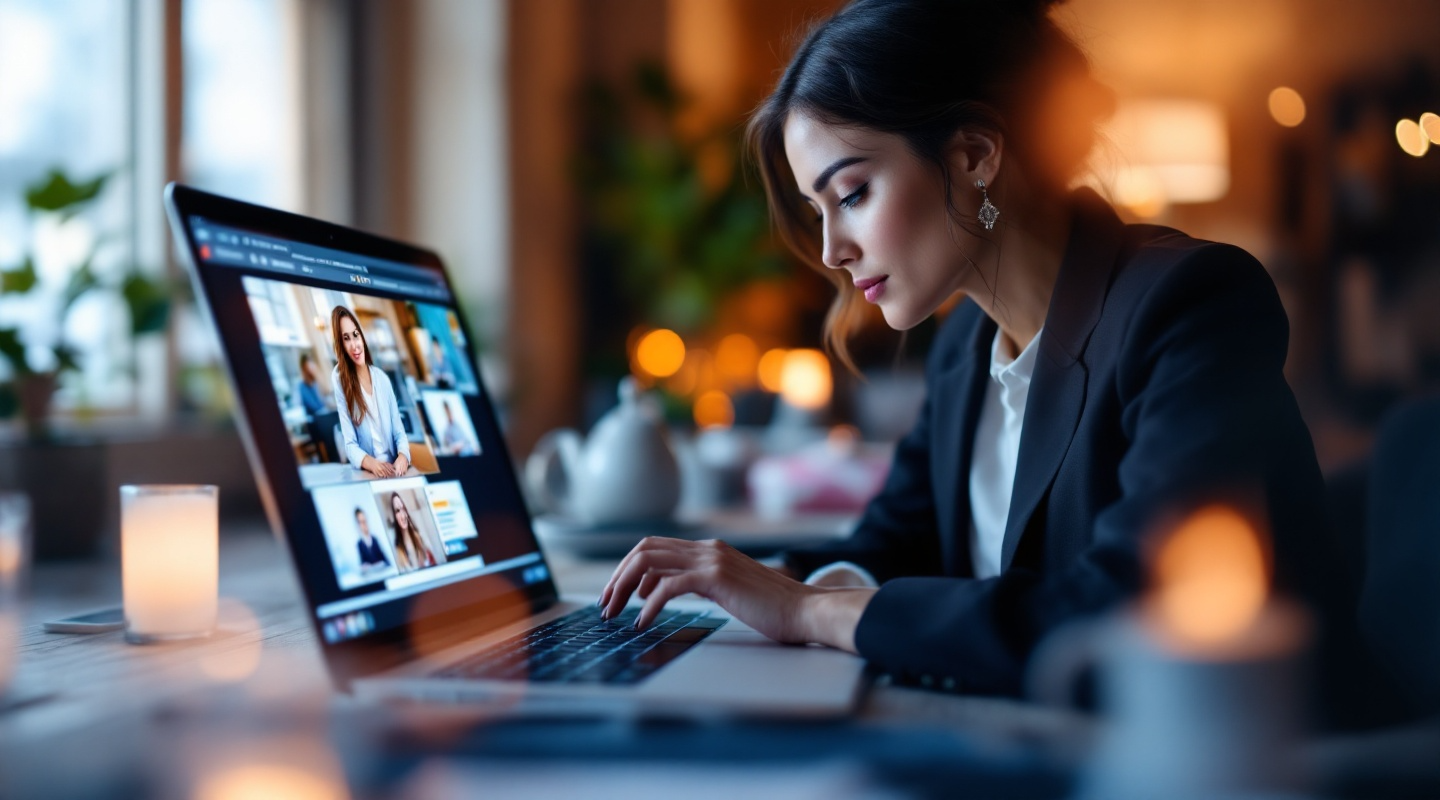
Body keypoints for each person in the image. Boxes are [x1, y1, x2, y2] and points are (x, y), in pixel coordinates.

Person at [600, 0, 1358, 712]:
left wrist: (807, 612)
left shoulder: (1189, 304)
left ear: (973, 156)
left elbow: (1134, 610)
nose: (832, 249)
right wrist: (748, 582)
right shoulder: (966, 344)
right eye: (817, 210)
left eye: (853, 193)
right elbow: (896, 542)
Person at [329, 306, 412, 479]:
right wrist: (372, 464)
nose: (354, 345)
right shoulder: (340, 381)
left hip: (395, 469)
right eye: (346, 339)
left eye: (355, 335)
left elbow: (399, 432)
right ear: (341, 345)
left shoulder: (382, 378)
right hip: (369, 472)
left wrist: (403, 456)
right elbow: (350, 445)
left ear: (362, 336)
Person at [389, 491, 438, 573]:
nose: (402, 515)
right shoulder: (398, 549)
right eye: (397, 511)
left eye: (403, 509)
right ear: (394, 516)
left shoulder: (418, 536)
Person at [354, 507, 390, 573]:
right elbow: (362, 564)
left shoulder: (375, 539)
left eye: (365, 521)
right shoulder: (359, 544)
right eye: (361, 522)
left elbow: (386, 561)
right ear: (358, 525)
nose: (364, 524)